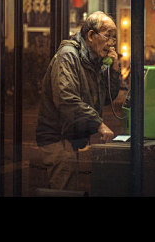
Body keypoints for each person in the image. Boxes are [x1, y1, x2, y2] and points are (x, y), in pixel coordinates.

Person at [36, 11, 121, 190]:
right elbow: (66, 99)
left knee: (72, 184)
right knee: (65, 187)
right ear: (91, 35)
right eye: (108, 37)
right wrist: (99, 124)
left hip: (71, 135)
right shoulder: (68, 57)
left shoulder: (93, 60)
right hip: (57, 137)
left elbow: (107, 98)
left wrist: (113, 69)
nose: (112, 44)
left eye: (114, 38)